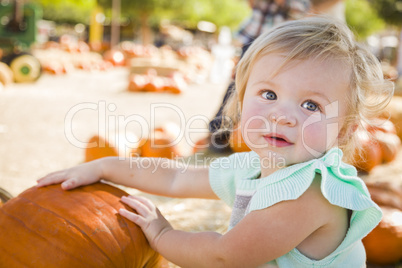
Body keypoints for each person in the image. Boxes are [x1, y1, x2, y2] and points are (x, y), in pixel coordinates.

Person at [37, 17, 393, 267]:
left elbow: (225, 256)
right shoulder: (253, 167)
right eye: (268, 94)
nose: (281, 115)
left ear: (344, 130)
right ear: (240, 101)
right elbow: (174, 177)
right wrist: (103, 166)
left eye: (311, 105)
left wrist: (160, 234)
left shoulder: (312, 194)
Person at [208, 0, 344, 152]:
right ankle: (220, 132)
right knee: (241, 83)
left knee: (286, 88)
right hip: (261, 30)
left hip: (291, 35)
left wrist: (312, 10)